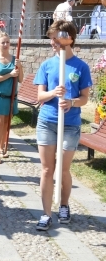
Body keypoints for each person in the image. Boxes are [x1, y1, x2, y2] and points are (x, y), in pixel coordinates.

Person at [33, 20, 91, 231]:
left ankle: (64, 204)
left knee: (63, 169)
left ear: (69, 40)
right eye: (52, 39)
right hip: (47, 121)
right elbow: (40, 95)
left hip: (71, 124)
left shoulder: (81, 66)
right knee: (47, 169)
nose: (53, 43)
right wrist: (53, 94)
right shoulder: (47, 65)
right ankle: (46, 213)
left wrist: (72, 101)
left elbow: (85, 98)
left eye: (56, 38)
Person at [0, 32, 24, 163]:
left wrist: (19, 67)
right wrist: (10, 74)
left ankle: (4, 146)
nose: (5, 45)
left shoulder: (15, 60)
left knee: (6, 124)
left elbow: (20, 79)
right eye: (2, 42)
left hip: (11, 97)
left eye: (7, 42)